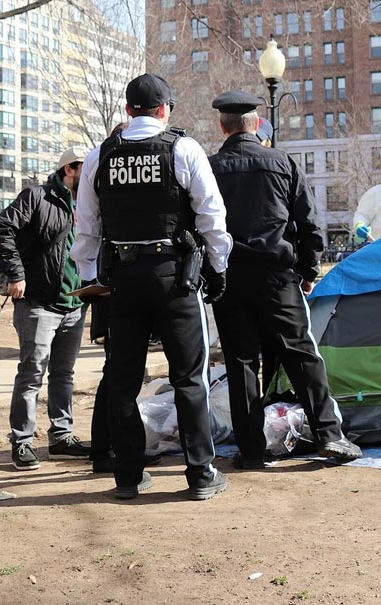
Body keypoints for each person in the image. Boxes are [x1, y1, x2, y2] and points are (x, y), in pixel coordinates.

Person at [73, 73, 232, 500]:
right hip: (174, 277)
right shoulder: (183, 147)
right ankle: (200, 474)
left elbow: (85, 228)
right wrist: (217, 268)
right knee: (189, 378)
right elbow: (211, 218)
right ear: (165, 110)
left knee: (122, 378)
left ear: (127, 110)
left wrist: (90, 278)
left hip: (122, 279)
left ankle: (128, 476)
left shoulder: (99, 155)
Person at [207, 91, 361, 469]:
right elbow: (308, 223)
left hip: (229, 276)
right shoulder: (282, 162)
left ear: (222, 127)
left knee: (241, 362)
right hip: (278, 276)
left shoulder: (209, 167)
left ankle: (250, 448)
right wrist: (309, 269)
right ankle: (330, 435)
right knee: (301, 354)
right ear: (257, 125)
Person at [0, 147, 92, 471]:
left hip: (74, 304)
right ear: (69, 170)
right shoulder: (37, 197)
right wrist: (16, 274)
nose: (89, 174)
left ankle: (61, 437)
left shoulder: (88, 202)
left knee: (63, 375)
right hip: (39, 305)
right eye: (83, 168)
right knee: (32, 374)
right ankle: (22, 441)